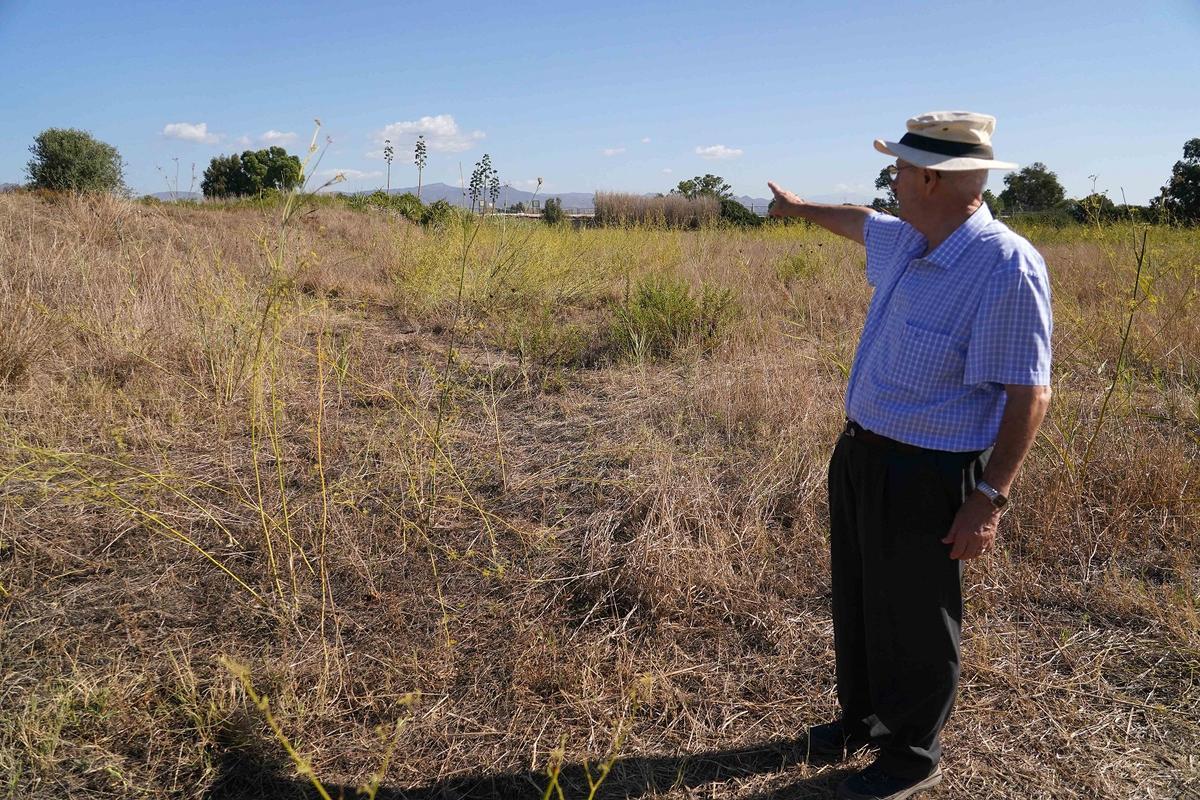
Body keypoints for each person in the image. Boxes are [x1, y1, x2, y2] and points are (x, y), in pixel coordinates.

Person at [768, 111, 1053, 800]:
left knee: (917, 620)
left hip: (929, 472)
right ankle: (861, 721)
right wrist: (800, 209)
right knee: (862, 599)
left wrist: (988, 498)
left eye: (900, 169)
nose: (892, 180)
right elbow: (859, 220)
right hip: (862, 455)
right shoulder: (908, 239)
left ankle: (912, 755)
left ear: (930, 177)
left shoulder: (1004, 266)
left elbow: (1030, 394)